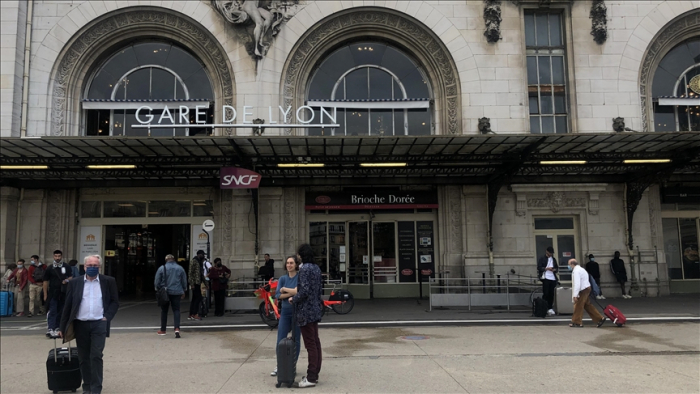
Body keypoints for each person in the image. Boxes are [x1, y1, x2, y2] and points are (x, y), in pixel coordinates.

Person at [59, 255, 119, 394]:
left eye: (95, 266)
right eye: (90, 265)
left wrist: (107, 317)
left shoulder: (108, 281)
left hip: (99, 323)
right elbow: (67, 305)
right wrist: (62, 326)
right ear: (84, 267)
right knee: (84, 357)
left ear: (100, 267)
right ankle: (87, 387)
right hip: (81, 324)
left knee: (96, 355)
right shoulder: (75, 283)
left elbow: (115, 301)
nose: (92, 268)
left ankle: (96, 388)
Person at [290, 244, 323, 388]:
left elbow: (304, 291)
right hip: (315, 309)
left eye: (298, 254)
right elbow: (317, 289)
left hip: (305, 311)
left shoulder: (304, 269)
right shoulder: (316, 268)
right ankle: (315, 373)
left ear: (301, 255)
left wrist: (293, 299)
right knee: (315, 342)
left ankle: (311, 378)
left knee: (310, 344)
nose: (297, 256)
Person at [271, 255, 301, 377]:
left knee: (296, 339)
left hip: (297, 312)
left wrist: (284, 290)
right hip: (285, 312)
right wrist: (291, 292)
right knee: (280, 339)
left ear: (296, 265)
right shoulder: (283, 278)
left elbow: (299, 291)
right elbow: (278, 295)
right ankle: (280, 365)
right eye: (287, 263)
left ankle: (293, 364)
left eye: (291, 263)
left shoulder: (300, 277)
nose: (289, 265)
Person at [154, 254, 187, 338]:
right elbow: (184, 281)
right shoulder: (180, 268)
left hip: (165, 292)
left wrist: (158, 289)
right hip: (177, 292)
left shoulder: (162, 268)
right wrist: (184, 290)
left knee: (164, 311)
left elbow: (157, 281)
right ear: (174, 259)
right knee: (176, 310)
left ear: (166, 260)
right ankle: (176, 328)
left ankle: (163, 329)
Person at [567, 258, 606, 328]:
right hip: (587, 288)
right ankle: (600, 318)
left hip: (583, 290)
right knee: (587, 305)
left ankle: (577, 322)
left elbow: (577, 284)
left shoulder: (576, 271)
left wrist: (575, 295)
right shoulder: (582, 269)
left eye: (569, 264)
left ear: (572, 264)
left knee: (579, 305)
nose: (568, 266)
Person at [44, 250, 72, 338]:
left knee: (62, 310)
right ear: (53, 256)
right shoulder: (50, 268)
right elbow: (45, 281)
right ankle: (50, 328)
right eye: (56, 256)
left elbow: (71, 276)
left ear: (61, 256)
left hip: (63, 292)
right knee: (52, 310)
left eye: (59, 256)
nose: (57, 258)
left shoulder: (66, 266)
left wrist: (66, 280)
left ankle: (58, 327)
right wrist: (45, 294)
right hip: (53, 292)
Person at [536, 246, 558, 316]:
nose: (550, 254)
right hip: (546, 277)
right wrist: (546, 268)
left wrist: (554, 269)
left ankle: (550, 307)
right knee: (546, 293)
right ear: (546, 251)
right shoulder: (542, 258)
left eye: (551, 253)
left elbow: (556, 268)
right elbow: (539, 267)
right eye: (549, 253)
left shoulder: (553, 259)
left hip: (552, 277)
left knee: (551, 293)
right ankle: (544, 307)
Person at [188, 250, 206, 320]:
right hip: (195, 283)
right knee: (198, 298)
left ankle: (191, 314)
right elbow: (190, 273)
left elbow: (201, 274)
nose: (203, 256)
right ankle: (194, 313)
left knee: (195, 298)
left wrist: (205, 283)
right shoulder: (194, 261)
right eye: (202, 254)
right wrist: (191, 284)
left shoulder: (199, 262)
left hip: (198, 282)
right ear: (199, 254)